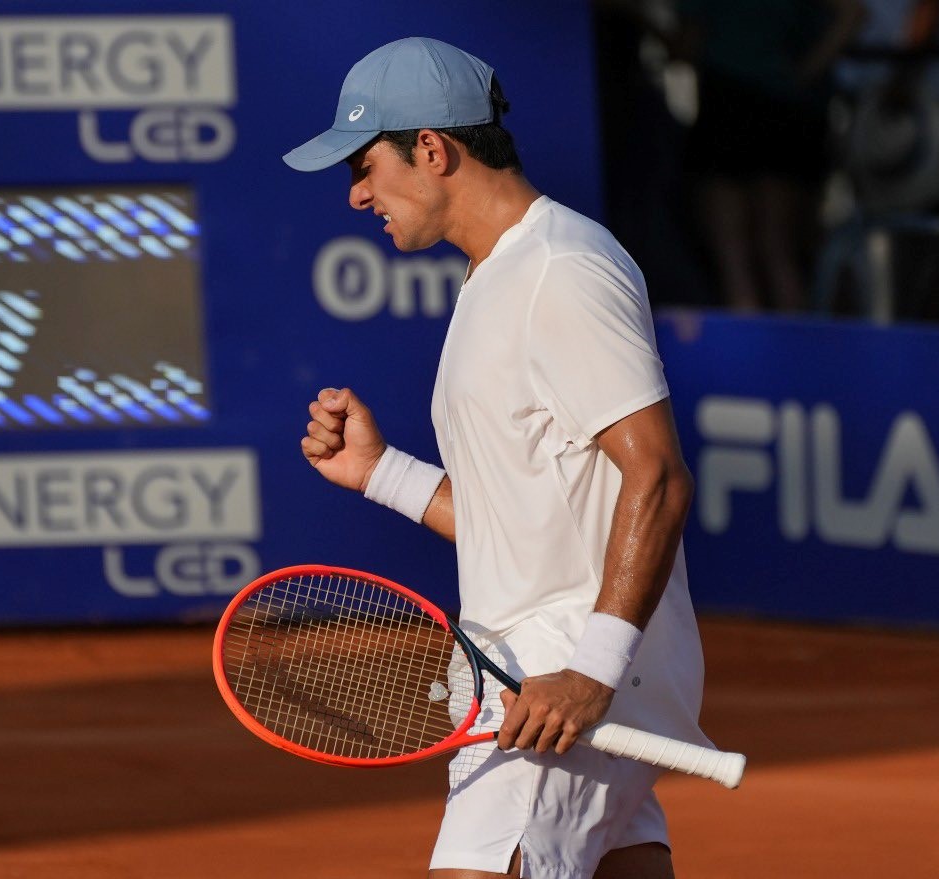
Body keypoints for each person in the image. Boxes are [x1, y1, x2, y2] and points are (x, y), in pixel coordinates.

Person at [285, 37, 710, 879]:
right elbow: (516, 522)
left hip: (560, 672)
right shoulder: (498, 277)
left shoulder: (560, 269)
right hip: (564, 669)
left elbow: (656, 474)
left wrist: (588, 670)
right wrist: (382, 474)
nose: (357, 192)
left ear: (433, 149)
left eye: (364, 165)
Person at [675, 0, 866, 312]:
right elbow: (854, 14)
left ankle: (754, 358)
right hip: (783, 109)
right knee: (778, 251)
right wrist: (804, 74)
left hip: (729, 104)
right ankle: (800, 354)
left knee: (736, 262)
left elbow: (685, 47)